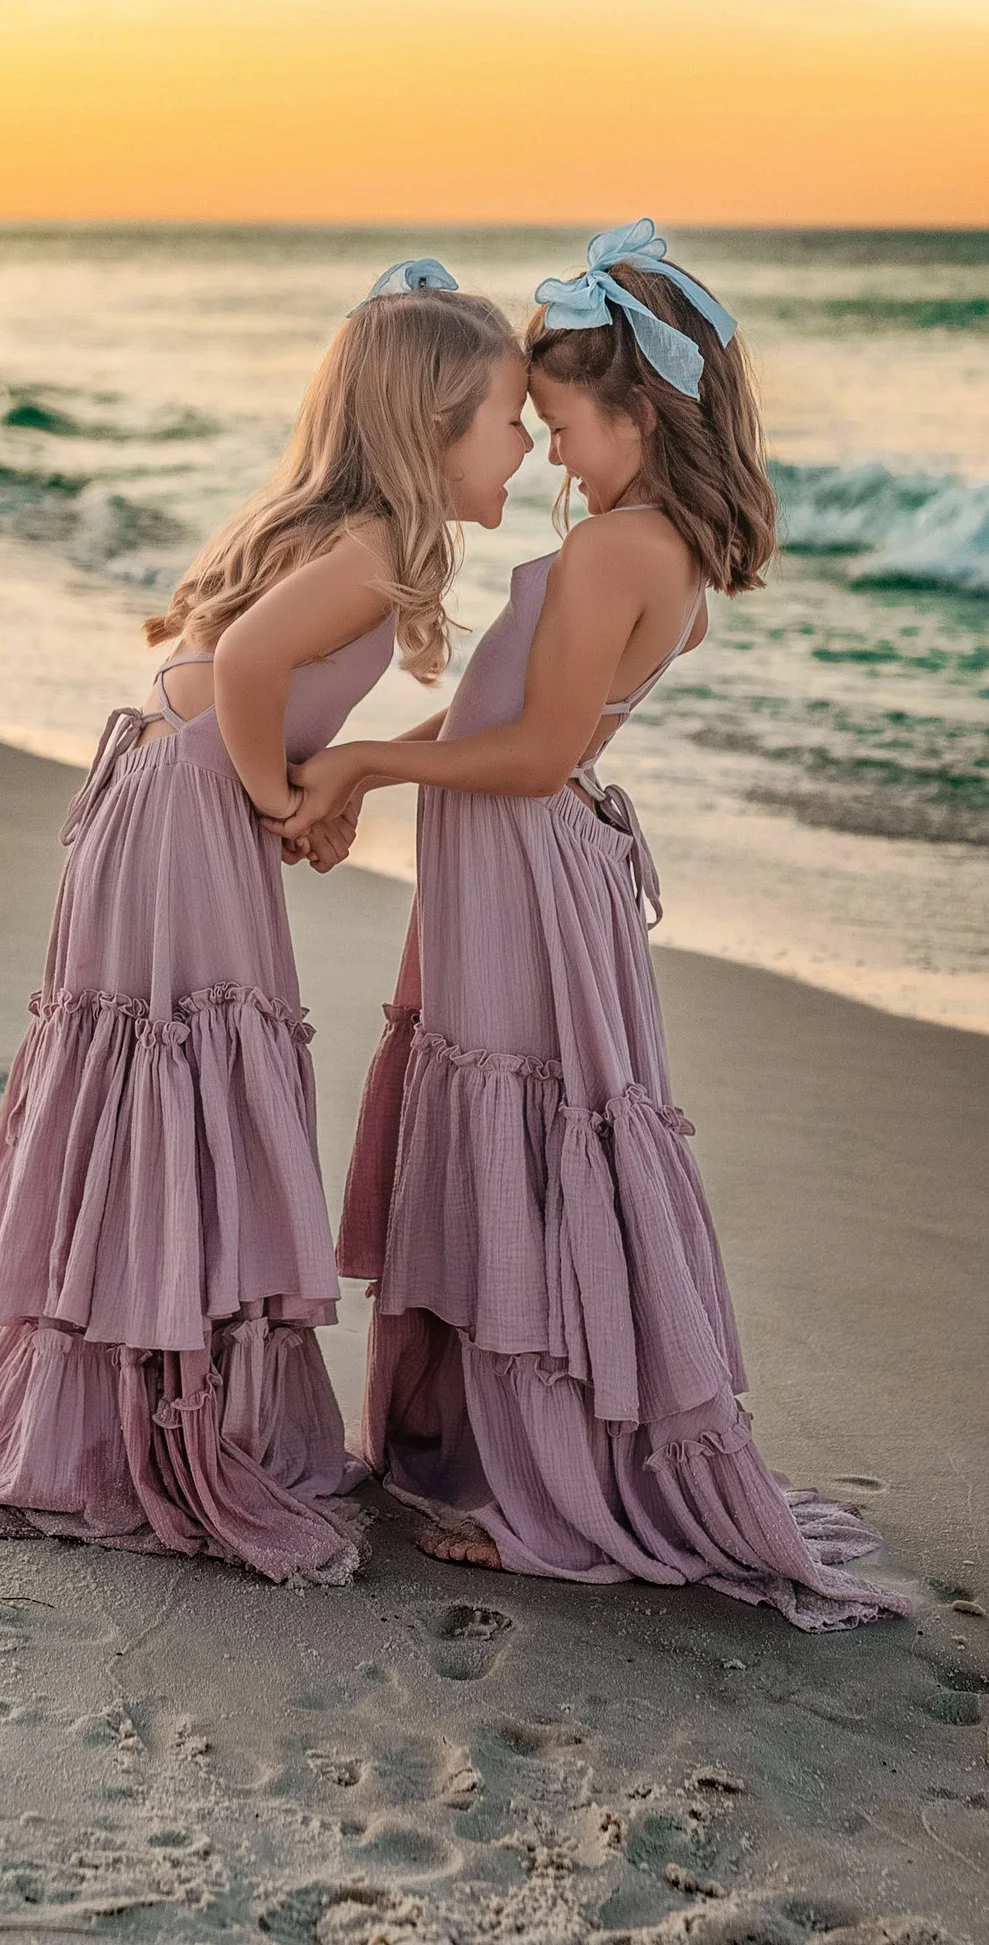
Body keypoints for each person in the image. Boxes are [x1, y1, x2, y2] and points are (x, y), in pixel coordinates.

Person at [294, 221, 899, 1628]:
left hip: (525, 875)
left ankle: (543, 1491)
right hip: (504, 875)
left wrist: (375, 766)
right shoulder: (643, 539)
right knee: (506, 1152)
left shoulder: (626, 549)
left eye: (561, 422)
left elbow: (540, 752)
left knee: (530, 1166)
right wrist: (371, 766)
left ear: (641, 407)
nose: (551, 451)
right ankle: (484, 1455)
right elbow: (502, 722)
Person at [0, 260, 530, 1583]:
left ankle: (124, 1389)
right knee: (190, 1087)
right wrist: (282, 806)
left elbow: (246, 670)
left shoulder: (354, 542)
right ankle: (155, 1411)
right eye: (506, 417)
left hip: (163, 804)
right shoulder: (372, 554)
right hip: (190, 817)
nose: (528, 438)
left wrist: (301, 791)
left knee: (173, 1090)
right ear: (430, 425)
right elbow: (257, 669)